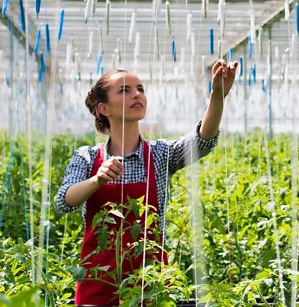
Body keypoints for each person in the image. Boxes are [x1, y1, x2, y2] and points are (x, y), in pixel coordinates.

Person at [55, 59, 238, 306]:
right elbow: (64, 201)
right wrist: (97, 180)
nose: (137, 95)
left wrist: (218, 96)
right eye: (124, 90)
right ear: (104, 109)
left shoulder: (160, 154)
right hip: (98, 282)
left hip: (151, 284)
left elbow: (202, 141)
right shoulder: (87, 157)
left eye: (140, 89)